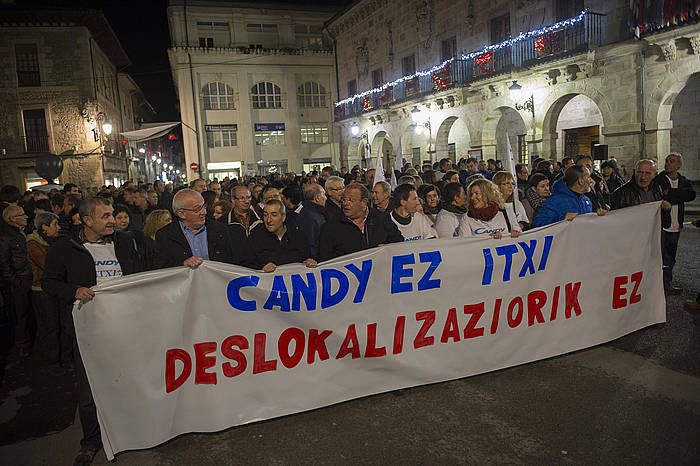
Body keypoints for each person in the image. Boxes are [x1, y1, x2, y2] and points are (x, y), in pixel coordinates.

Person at [42, 197, 144, 466]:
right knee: (88, 391)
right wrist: (73, 291)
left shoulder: (125, 241)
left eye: (112, 215)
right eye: (105, 216)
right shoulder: (65, 248)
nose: (112, 220)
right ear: (86, 221)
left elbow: (146, 270)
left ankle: (129, 430)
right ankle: (91, 441)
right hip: (88, 331)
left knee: (128, 379)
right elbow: (49, 283)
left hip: (125, 326)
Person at [318, 183, 403, 261]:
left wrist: (388, 248)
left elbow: (398, 242)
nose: (345, 203)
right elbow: (323, 257)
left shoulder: (381, 219)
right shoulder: (331, 226)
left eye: (350, 200)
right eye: (343, 199)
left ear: (364, 202)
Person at [155, 189, 237, 269]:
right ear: (181, 214)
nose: (204, 212)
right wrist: (182, 265)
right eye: (197, 209)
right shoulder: (165, 235)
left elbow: (230, 262)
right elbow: (160, 268)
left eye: (203, 206)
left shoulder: (220, 229)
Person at [26, 212, 66, 365]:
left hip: (53, 288)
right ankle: (52, 358)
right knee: (50, 326)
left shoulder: (52, 241)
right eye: (55, 224)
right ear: (44, 227)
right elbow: (48, 266)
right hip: (41, 290)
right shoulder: (33, 244)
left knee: (57, 324)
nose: (59, 227)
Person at [653, 153, 696, 294]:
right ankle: (661, 285)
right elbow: (659, 195)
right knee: (661, 257)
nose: (667, 164)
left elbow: (691, 194)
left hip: (676, 226)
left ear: (678, 165)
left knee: (671, 257)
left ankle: (667, 283)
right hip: (663, 225)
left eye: (671, 161)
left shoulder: (683, 181)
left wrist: (670, 194)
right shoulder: (659, 180)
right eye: (666, 161)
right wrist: (678, 195)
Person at [244, 200, 316, 271]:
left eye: (274, 215)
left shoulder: (299, 236)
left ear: (283, 217)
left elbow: (308, 257)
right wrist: (261, 268)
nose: (268, 220)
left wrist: (309, 262)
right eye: (265, 215)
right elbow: (247, 266)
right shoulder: (255, 238)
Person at [0, 204, 34, 357]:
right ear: (12, 219)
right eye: (22, 214)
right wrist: (16, 282)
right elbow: (4, 263)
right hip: (18, 281)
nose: (26, 216)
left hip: (24, 278)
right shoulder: (7, 237)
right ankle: (22, 345)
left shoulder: (19, 233)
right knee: (20, 314)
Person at [532, 165, 597, 228]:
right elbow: (538, 224)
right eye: (588, 177)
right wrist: (562, 218)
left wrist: (597, 216)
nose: (591, 181)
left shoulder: (586, 200)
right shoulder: (554, 201)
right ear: (580, 181)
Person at [296, 183, 327, 259]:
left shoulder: (305, 211)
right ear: (317, 198)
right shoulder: (314, 217)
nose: (326, 198)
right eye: (324, 194)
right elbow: (310, 243)